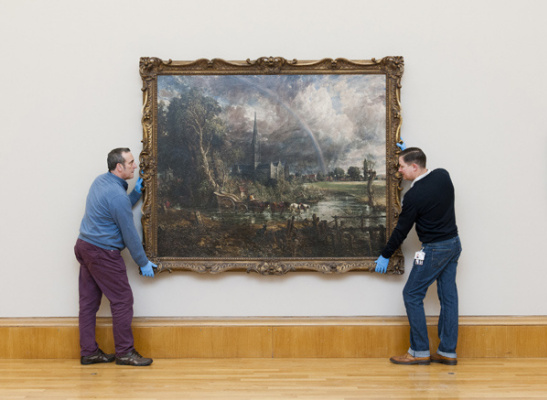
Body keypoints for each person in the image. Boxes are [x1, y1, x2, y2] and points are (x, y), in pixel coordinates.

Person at [375, 144, 462, 366]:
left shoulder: (413, 196)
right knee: (448, 298)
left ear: (414, 166)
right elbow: (426, 174)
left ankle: (419, 351)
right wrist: (409, 153)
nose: (399, 171)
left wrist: (385, 254)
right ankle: (447, 352)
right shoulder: (443, 175)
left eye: (402, 166)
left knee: (411, 294)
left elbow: (401, 230)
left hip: (435, 249)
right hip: (453, 245)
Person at [75, 148, 157, 366]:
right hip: (102, 253)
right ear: (119, 167)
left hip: (84, 246)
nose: (135, 166)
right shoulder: (117, 196)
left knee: (88, 303)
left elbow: (114, 209)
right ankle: (125, 352)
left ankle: (89, 352)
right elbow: (129, 233)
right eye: (131, 163)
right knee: (122, 301)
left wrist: (135, 194)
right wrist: (143, 262)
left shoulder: (100, 182)